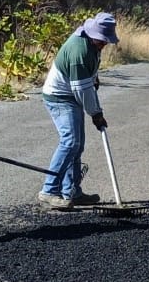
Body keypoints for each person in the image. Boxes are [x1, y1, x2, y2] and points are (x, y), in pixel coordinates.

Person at [39, 12, 120, 209]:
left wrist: (94, 76)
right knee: (70, 142)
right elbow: (82, 91)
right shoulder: (79, 52)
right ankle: (49, 191)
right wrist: (96, 114)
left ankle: (72, 192)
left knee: (77, 144)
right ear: (93, 34)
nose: (104, 44)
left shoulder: (91, 42)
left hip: (71, 94)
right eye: (101, 41)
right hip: (60, 97)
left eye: (105, 41)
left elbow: (87, 77)